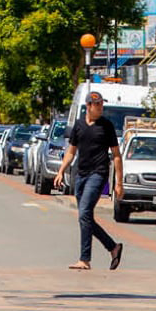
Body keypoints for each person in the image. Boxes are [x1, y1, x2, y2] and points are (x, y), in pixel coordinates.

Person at [52, 92, 126, 271]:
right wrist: (61, 171)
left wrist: (119, 183)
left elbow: (117, 155)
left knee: (84, 213)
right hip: (81, 175)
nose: (100, 107)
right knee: (85, 217)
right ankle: (113, 247)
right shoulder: (79, 125)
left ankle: (84, 259)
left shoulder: (106, 126)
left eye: (101, 104)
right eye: (97, 104)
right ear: (88, 106)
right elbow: (71, 151)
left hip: (98, 174)